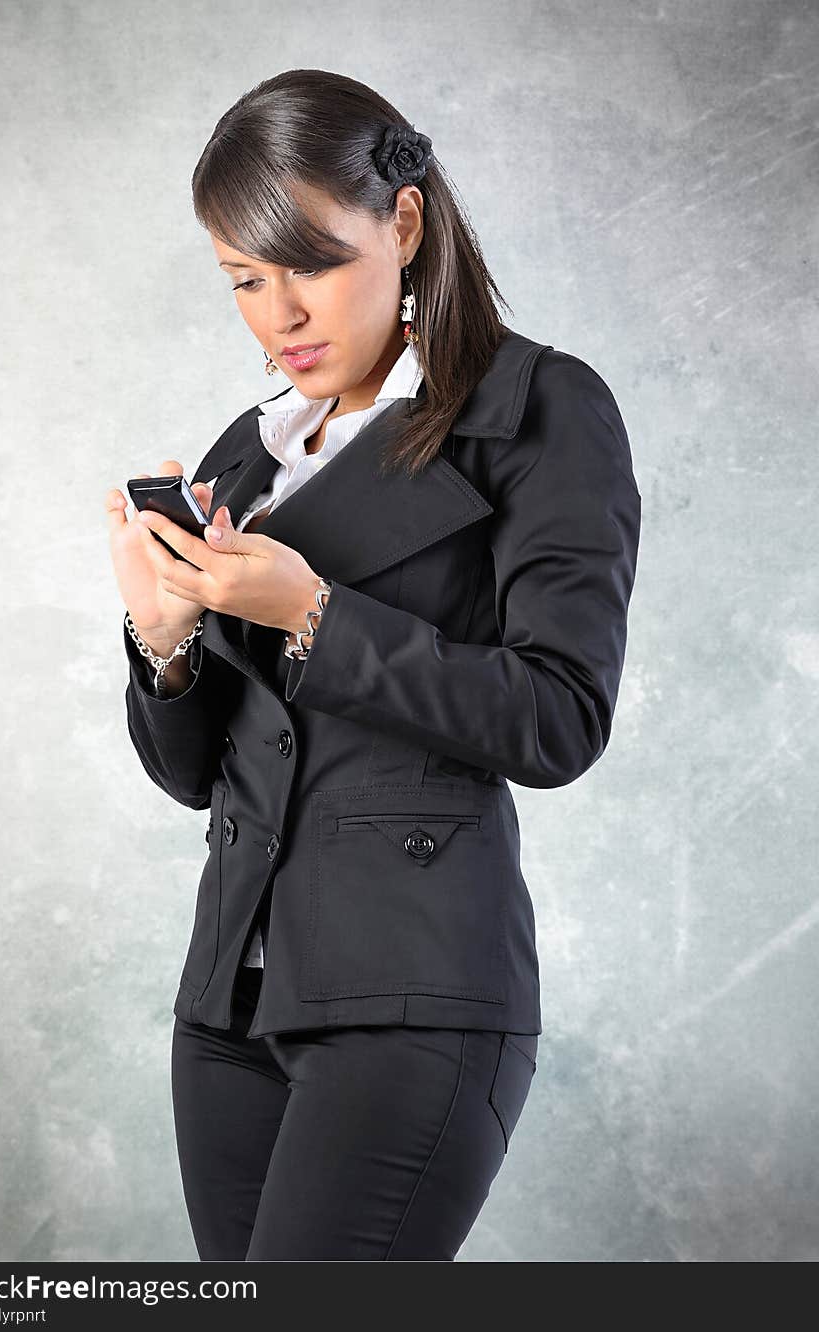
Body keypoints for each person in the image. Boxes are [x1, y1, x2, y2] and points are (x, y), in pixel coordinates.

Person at [105, 69, 641, 1261]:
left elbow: (559, 718)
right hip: (229, 1001)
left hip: (414, 994)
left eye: (312, 264)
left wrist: (314, 616)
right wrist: (164, 636)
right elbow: (199, 777)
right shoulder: (246, 460)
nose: (278, 314)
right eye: (245, 279)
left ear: (402, 224)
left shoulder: (538, 408)